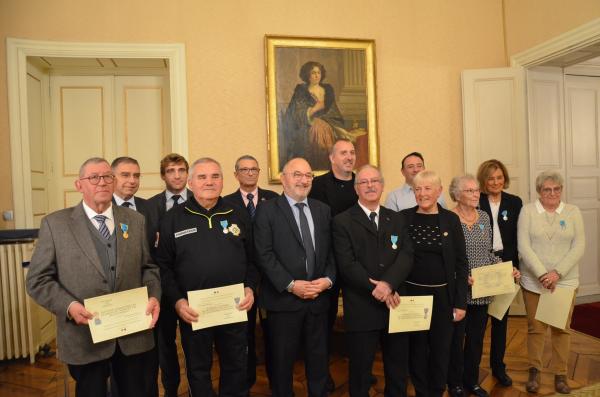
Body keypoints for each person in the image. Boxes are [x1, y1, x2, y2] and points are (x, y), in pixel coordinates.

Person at [26, 157, 160, 397]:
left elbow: (148, 268)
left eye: (108, 176)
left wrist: (153, 296)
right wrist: (69, 306)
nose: (102, 182)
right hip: (84, 336)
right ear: (79, 185)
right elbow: (38, 280)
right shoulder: (55, 224)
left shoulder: (135, 221)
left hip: (132, 334)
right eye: (94, 177)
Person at [155, 157, 258, 397]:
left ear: (223, 181)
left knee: (236, 367)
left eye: (215, 176)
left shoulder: (239, 214)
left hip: (234, 308)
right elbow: (164, 267)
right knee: (198, 370)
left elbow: (254, 261)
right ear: (190, 183)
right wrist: (178, 302)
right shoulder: (173, 219)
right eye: (202, 177)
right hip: (194, 311)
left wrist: (250, 288)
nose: (209, 182)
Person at [254, 157, 336, 397]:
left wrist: (328, 280)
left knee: (319, 363)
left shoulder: (323, 210)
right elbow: (263, 254)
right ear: (283, 178)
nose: (303, 180)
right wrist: (290, 285)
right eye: (297, 174)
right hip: (283, 303)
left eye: (308, 175)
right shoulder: (267, 210)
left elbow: (332, 251)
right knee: (282, 365)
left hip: (318, 301)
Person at [332, 165, 413, 397]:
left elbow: (406, 256)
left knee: (398, 368)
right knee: (360, 370)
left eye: (374, 181)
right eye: (364, 182)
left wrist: (388, 285)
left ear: (382, 185)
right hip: (361, 305)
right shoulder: (342, 221)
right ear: (356, 188)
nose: (370, 186)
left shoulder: (396, 218)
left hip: (395, 303)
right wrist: (377, 287)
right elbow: (347, 265)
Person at [446, 175, 519, 397]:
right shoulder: (449, 218)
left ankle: (472, 381)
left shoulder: (485, 217)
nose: (476, 194)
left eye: (477, 190)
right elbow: (446, 258)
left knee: (476, 339)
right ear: (457, 195)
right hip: (460, 290)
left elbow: (489, 253)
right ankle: (455, 383)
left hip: (482, 289)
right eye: (469, 191)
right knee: (456, 339)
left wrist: (507, 269)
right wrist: (462, 276)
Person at [399, 170, 468, 397]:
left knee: (441, 348)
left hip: (443, 297)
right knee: (416, 349)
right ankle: (421, 390)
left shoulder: (451, 219)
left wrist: (460, 303)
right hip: (411, 295)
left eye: (428, 188)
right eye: (418, 189)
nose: (422, 193)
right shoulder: (403, 218)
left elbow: (461, 263)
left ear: (439, 191)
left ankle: (437, 390)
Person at [518, 170, 585, 394]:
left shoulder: (573, 211)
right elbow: (523, 246)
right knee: (535, 329)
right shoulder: (527, 211)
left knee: (561, 329)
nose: (552, 193)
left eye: (557, 189)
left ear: (561, 190)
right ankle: (534, 371)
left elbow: (579, 246)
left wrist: (557, 274)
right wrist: (542, 275)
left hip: (564, 282)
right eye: (547, 189)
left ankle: (560, 374)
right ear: (539, 191)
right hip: (534, 282)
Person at [224, 154, 278, 390]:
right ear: (235, 174)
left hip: (272, 277)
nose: (249, 173)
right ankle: (245, 382)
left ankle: (276, 380)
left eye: (254, 169)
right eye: (244, 170)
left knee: (274, 333)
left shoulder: (274, 199)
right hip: (241, 278)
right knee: (242, 335)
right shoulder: (225, 202)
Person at [309, 138, 359, 391]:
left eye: (352, 152)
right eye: (343, 153)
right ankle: (322, 374)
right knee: (324, 324)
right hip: (327, 264)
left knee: (359, 321)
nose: (349, 157)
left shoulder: (363, 183)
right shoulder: (317, 186)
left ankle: (359, 373)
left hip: (357, 265)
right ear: (332, 158)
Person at [111, 156, 159, 396]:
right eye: (125, 175)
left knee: (146, 364)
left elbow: (153, 254)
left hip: (146, 298)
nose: (132, 180)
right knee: (116, 367)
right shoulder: (101, 205)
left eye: (136, 175)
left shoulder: (149, 207)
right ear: (112, 177)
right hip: (112, 304)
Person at [147, 153, 191, 397]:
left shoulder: (199, 200)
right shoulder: (148, 206)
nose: (177, 175)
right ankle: (171, 389)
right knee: (165, 344)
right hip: (162, 286)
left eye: (181, 170)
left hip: (192, 286)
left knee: (194, 342)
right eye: (171, 171)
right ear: (163, 175)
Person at [476, 159, 522, 387]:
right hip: (482, 264)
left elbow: (518, 237)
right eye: (491, 178)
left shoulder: (515, 202)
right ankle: (471, 369)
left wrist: (516, 266)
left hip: (506, 264)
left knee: (500, 318)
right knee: (478, 320)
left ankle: (498, 367)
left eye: (500, 177)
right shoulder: (476, 201)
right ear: (484, 180)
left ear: (504, 178)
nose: (496, 182)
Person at [283, 61, 346, 170]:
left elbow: (333, 112)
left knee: (322, 130)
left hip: (329, 124)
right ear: (307, 75)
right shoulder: (301, 91)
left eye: (319, 73)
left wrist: (325, 121)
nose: (317, 76)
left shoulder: (327, 90)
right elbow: (295, 113)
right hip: (306, 126)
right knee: (316, 129)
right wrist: (315, 108)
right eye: (313, 73)